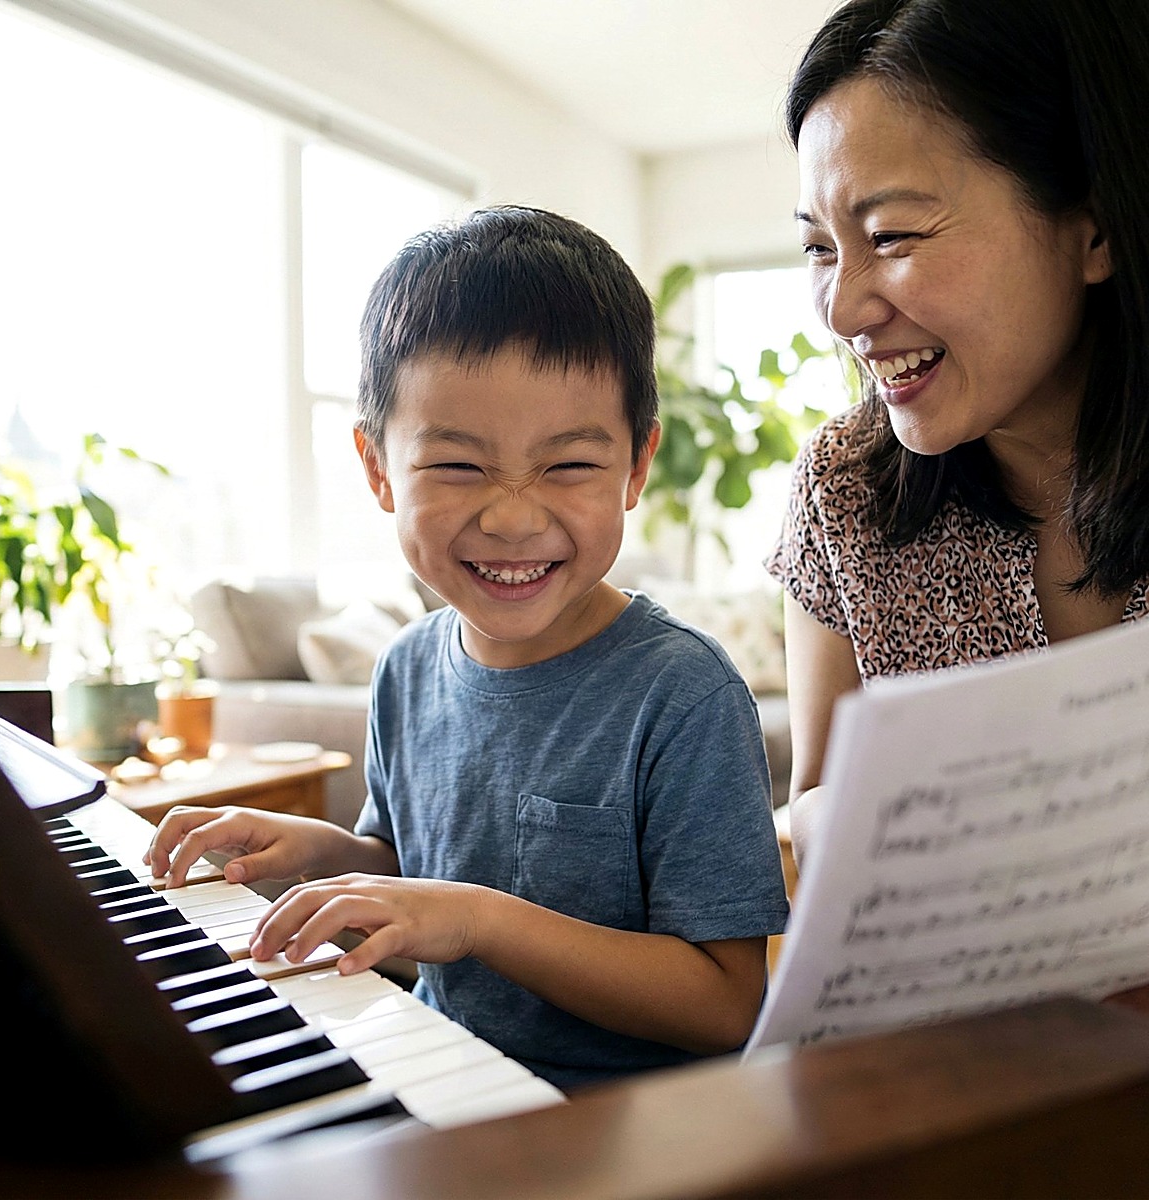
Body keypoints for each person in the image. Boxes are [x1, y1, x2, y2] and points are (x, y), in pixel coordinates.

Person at [147, 206, 790, 1091]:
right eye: (456, 466)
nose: (514, 516)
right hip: (445, 1073)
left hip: (631, 1130)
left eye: (568, 466)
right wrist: (321, 852)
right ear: (378, 468)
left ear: (638, 466)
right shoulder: (406, 671)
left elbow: (725, 1005)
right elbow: (410, 873)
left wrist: (480, 920)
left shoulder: (682, 693)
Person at [766, 0, 1149, 868]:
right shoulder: (844, 488)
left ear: (1095, 230)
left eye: (891, 235)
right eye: (821, 249)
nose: (844, 310)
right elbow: (815, 802)